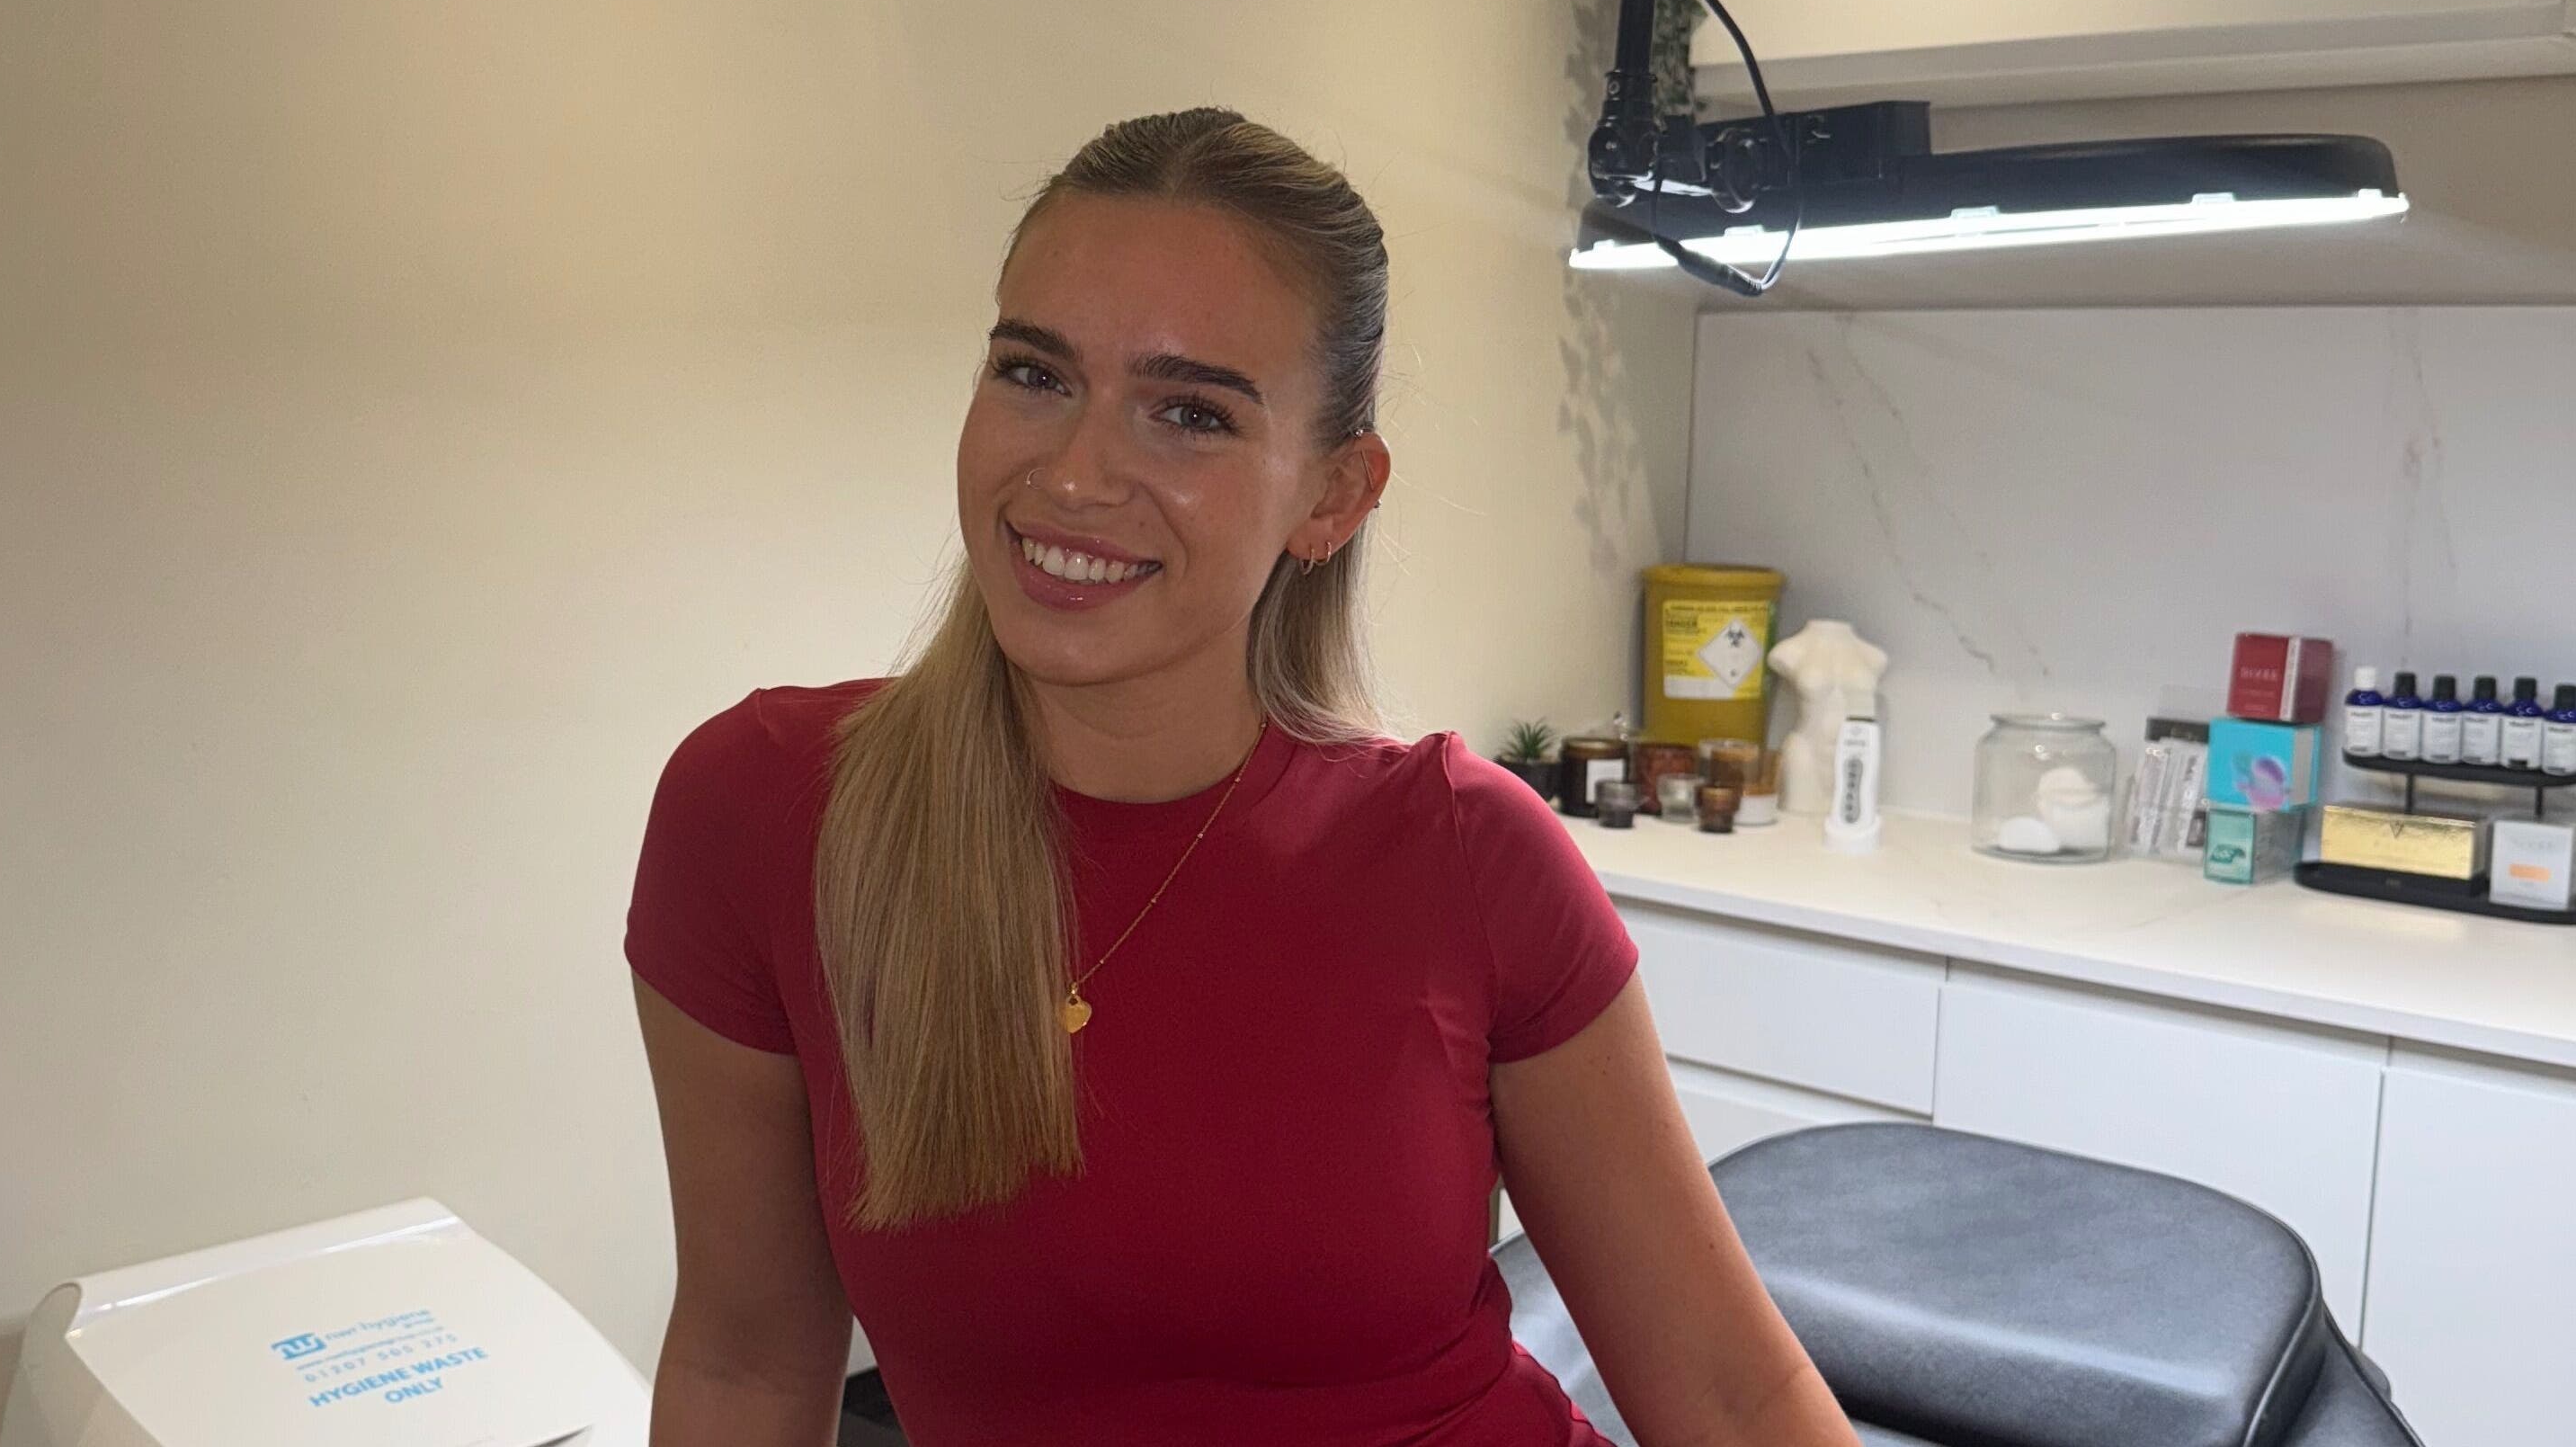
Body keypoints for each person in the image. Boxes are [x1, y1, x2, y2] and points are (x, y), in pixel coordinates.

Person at [624, 107, 1854, 1447]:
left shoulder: (1467, 856)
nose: (1076, 474)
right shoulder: (764, 814)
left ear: (1333, 496)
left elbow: (1732, 1396)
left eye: (1190, 414)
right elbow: (745, 1364)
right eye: (1033, 375)